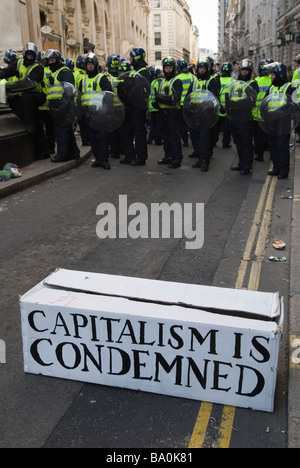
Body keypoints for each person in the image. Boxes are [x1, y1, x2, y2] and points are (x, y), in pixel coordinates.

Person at [0, 42, 50, 160]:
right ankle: (42, 150)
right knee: (18, 106)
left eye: (32, 56)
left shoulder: (38, 68)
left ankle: (30, 125)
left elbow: (29, 83)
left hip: (36, 96)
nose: (30, 58)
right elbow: (6, 72)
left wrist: (9, 86)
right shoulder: (18, 63)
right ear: (25, 54)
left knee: (33, 120)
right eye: (28, 55)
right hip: (23, 98)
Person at [44, 49, 80, 163]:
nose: (51, 62)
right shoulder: (54, 73)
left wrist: (64, 106)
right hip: (56, 107)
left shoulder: (64, 72)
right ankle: (74, 152)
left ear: (58, 60)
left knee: (61, 131)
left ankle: (62, 154)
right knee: (66, 130)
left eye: (53, 60)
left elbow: (69, 90)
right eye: (49, 60)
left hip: (64, 106)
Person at [79, 52, 112, 170]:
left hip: (100, 113)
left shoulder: (101, 78)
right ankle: (97, 159)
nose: (90, 66)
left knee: (102, 137)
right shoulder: (82, 80)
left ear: (96, 65)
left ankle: (104, 160)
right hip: (88, 113)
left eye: (91, 64)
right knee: (92, 138)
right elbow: (79, 95)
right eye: (88, 64)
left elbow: (108, 95)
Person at [118, 47, 151, 166]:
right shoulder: (133, 72)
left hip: (138, 107)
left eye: (131, 57)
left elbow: (144, 90)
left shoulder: (144, 72)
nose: (129, 59)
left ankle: (141, 157)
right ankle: (129, 155)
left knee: (139, 132)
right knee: (125, 131)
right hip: (128, 106)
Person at [189, 57, 221, 172]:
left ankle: (205, 161)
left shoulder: (213, 79)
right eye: (200, 68)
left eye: (204, 68)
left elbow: (213, 95)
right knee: (195, 137)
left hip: (207, 114)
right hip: (195, 114)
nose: (202, 70)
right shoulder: (195, 80)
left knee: (204, 138)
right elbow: (189, 95)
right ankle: (199, 158)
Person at [263, 63, 294, 179]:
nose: (271, 77)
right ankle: (276, 168)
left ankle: (283, 171)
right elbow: (265, 103)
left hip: (283, 122)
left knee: (282, 147)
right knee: (272, 146)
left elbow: (294, 105)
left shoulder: (290, 87)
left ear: (279, 74)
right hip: (271, 122)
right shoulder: (271, 88)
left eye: (273, 74)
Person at [229, 58, 258, 175]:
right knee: (238, 142)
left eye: (246, 70)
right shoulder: (236, 83)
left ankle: (247, 166)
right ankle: (241, 163)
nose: (244, 72)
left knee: (246, 142)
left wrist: (236, 103)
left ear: (250, 71)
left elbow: (251, 100)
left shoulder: (252, 84)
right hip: (235, 117)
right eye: (242, 70)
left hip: (245, 118)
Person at [154, 57, 183, 169]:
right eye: (166, 67)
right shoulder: (163, 81)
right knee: (165, 136)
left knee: (174, 136)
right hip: (163, 112)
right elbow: (158, 95)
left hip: (173, 112)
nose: (168, 70)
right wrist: (157, 103)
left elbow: (175, 98)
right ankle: (168, 155)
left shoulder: (177, 81)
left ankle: (177, 158)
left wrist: (161, 99)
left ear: (173, 68)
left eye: (170, 67)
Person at [252, 60, 273, 161]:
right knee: (269, 134)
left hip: (257, 113)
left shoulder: (255, 81)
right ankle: (270, 152)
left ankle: (259, 155)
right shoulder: (272, 80)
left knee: (258, 136)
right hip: (270, 113)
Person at [176, 59, 197, 147]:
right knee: (191, 124)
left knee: (182, 125)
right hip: (191, 104)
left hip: (180, 105)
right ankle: (194, 142)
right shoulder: (193, 77)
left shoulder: (177, 78)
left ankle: (185, 141)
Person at [216, 62, 234, 149]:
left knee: (216, 126)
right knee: (227, 128)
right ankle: (225, 143)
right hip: (228, 107)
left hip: (218, 106)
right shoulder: (233, 81)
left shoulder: (218, 80)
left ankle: (214, 142)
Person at [148, 65, 163, 146]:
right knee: (158, 125)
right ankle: (158, 140)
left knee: (153, 124)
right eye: (160, 72)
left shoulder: (153, 82)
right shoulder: (159, 82)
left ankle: (150, 139)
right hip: (157, 106)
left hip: (152, 106)